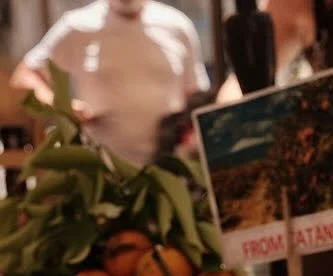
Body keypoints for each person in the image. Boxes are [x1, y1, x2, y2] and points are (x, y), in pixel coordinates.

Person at [12, 0, 209, 166]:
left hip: (168, 172)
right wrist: (64, 106)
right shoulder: (77, 25)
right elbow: (24, 77)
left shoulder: (178, 25)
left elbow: (195, 96)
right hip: (102, 172)